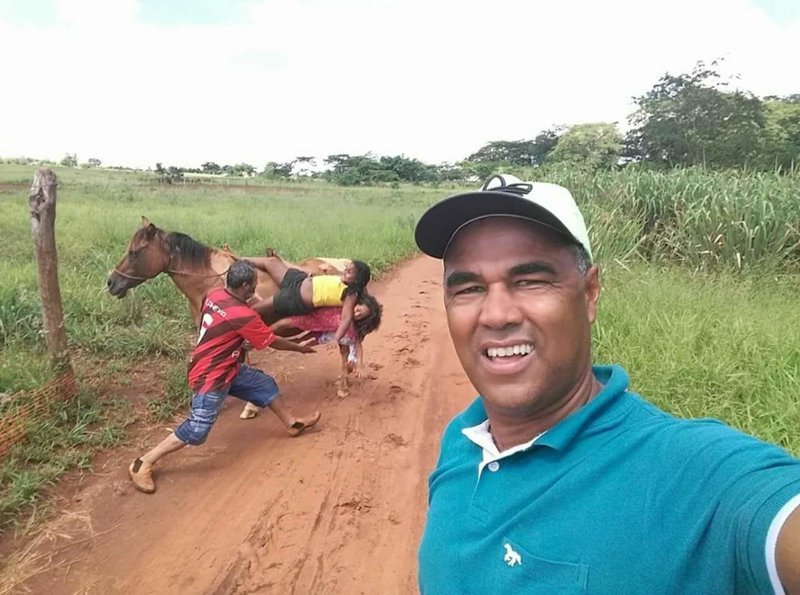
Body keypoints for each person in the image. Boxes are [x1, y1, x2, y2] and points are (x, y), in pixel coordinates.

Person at [414, 174, 800, 593]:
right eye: (469, 288)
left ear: (590, 293)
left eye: (530, 281)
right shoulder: (462, 439)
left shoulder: (691, 475)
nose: (496, 315)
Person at [128, 260, 321, 494]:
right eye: (253, 286)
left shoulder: (215, 295)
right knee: (198, 429)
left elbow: (225, 327)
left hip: (224, 365)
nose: (255, 289)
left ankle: (292, 424)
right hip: (212, 375)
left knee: (263, 384)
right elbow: (272, 341)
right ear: (244, 286)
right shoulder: (243, 315)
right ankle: (143, 462)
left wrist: (236, 342)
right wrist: (299, 347)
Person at [246, 255, 372, 350]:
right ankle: (238, 261)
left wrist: (337, 338)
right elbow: (322, 281)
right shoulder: (342, 280)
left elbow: (346, 318)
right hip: (298, 281)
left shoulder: (350, 294)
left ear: (357, 280)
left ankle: (250, 338)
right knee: (271, 261)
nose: (344, 272)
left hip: (296, 298)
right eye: (346, 269)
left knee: (255, 309)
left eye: (349, 272)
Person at [272, 291, 383, 378]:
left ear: (362, 320)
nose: (356, 313)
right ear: (357, 303)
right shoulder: (344, 303)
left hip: (322, 333)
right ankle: (264, 332)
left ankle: (272, 341)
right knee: (284, 323)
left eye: (359, 315)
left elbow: (358, 346)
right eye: (358, 309)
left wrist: (360, 366)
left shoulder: (353, 326)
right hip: (312, 317)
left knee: (300, 343)